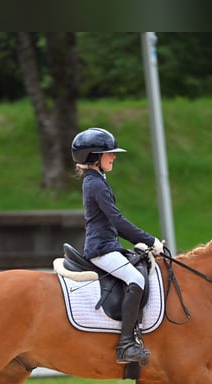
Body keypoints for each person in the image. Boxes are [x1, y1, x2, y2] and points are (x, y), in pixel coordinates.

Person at [71, 127, 164, 365]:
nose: (113, 157)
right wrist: (149, 240)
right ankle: (125, 346)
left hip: (108, 244)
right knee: (137, 280)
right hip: (101, 249)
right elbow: (117, 221)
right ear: (94, 157)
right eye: (109, 153)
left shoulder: (97, 180)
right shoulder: (96, 184)